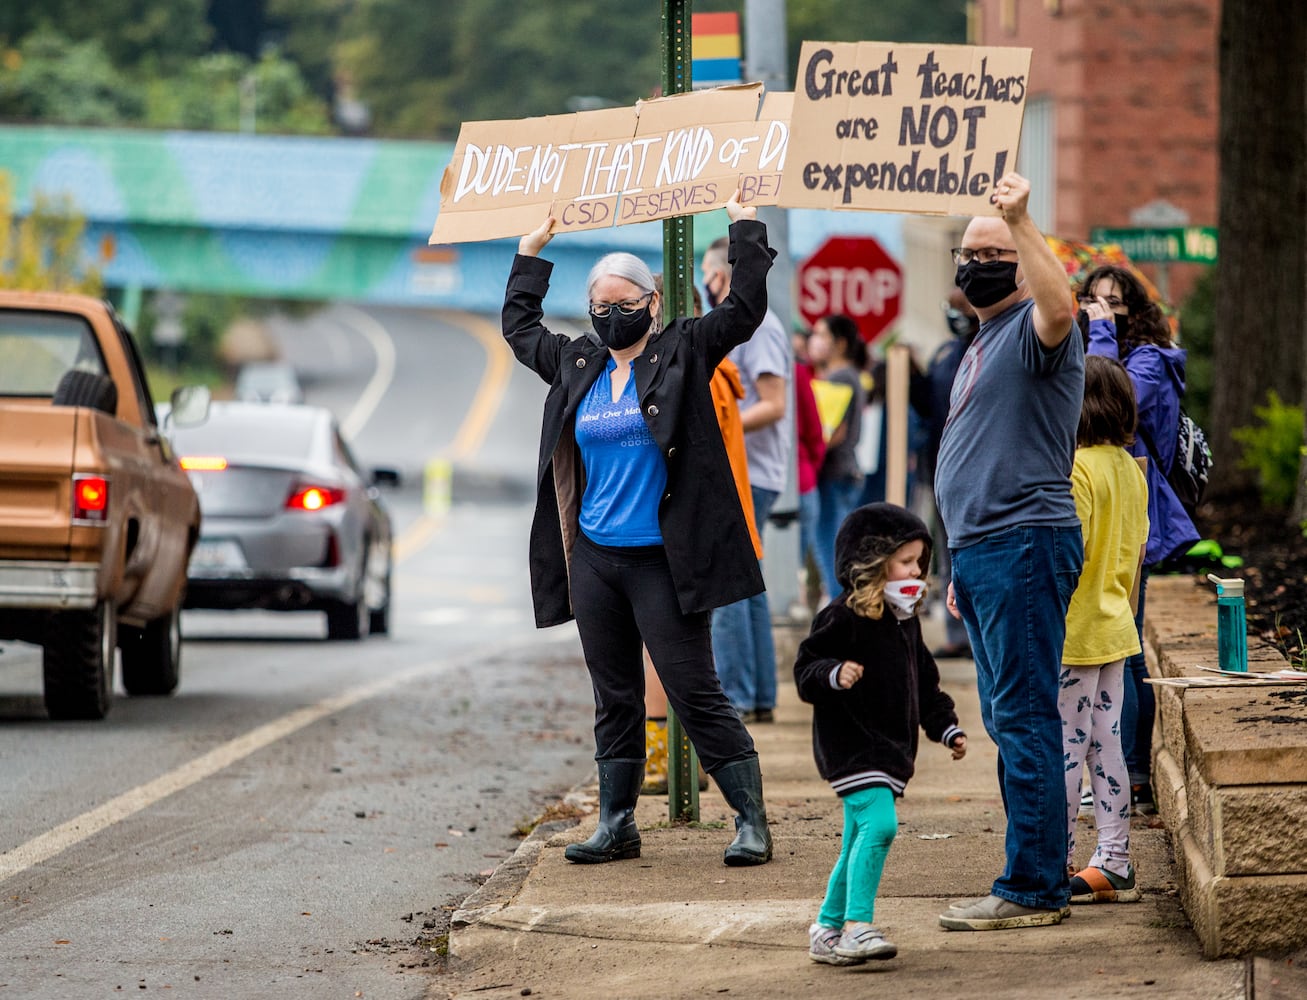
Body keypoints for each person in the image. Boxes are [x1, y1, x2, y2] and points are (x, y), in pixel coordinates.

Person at [504, 190, 772, 866]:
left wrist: (742, 225)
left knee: (693, 689)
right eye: (601, 306)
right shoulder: (576, 363)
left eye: (626, 304)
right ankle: (616, 823)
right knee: (613, 693)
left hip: (664, 558)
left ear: (653, 303)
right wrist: (528, 254)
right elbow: (519, 329)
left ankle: (749, 821)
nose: (612, 315)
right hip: (596, 558)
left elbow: (742, 310)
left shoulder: (683, 347)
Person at [934, 172, 1085, 931]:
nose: (977, 262)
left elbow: (1063, 305)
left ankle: (1031, 888)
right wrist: (961, 562)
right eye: (968, 251)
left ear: (1023, 264)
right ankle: (1036, 873)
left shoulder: (1036, 327)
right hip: (988, 553)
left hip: (1023, 541)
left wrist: (1022, 220)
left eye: (993, 251)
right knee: (1008, 717)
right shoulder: (984, 338)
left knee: (1023, 718)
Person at [794, 503, 967, 964]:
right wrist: (834, 673)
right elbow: (806, 669)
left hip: (889, 750)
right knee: (881, 826)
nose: (916, 570)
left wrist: (946, 727)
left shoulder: (904, 619)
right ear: (872, 561)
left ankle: (827, 929)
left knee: (857, 839)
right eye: (906, 561)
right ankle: (858, 926)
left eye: (918, 562)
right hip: (850, 746)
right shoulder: (842, 615)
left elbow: (924, 684)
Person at [1079, 265, 1200, 814]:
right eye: (1093, 300)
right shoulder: (1075, 346)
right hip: (1097, 496)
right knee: (1109, 641)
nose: (1103, 309)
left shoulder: (1152, 357)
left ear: (1136, 310)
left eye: (1115, 303)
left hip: (1133, 504)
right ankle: (1115, 769)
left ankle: (1131, 771)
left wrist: (1101, 333)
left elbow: (1120, 399)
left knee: (1125, 646)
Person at [642, 275, 759, 795]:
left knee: (672, 662)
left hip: (685, 532)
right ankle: (686, 763)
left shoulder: (689, 372)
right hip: (714, 529)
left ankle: (666, 764)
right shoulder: (722, 374)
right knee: (696, 663)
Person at [1059, 355, 1149, 903]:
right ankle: (1115, 857)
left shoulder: (1076, 470)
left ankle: (1057, 858)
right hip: (1114, 625)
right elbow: (1136, 552)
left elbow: (1072, 553)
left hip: (1073, 631)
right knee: (1106, 745)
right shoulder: (1129, 469)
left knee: (1065, 749)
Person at [701, 235, 793, 723]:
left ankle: (734, 696)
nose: (706, 285)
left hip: (749, 470)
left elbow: (773, 405)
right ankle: (757, 697)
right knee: (749, 586)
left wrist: (719, 426)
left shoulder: (759, 328)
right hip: (750, 468)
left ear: (722, 276)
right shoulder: (753, 325)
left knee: (729, 583)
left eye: (708, 275)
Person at [910, 289, 979, 659]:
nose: (953, 315)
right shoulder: (946, 352)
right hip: (940, 465)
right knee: (950, 551)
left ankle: (973, 632)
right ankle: (958, 634)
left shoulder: (982, 350)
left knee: (969, 550)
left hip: (972, 469)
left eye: (959, 309)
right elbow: (931, 405)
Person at [808, 314, 867, 601]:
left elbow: (833, 432)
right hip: (845, 474)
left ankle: (841, 616)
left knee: (832, 555)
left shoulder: (840, 377)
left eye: (821, 335)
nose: (814, 341)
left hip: (833, 475)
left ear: (840, 344)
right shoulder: (850, 375)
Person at [794, 353, 827, 613]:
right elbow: (815, 428)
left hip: (795, 477)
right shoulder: (798, 372)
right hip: (803, 478)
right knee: (810, 554)